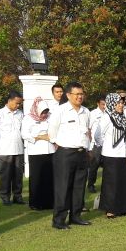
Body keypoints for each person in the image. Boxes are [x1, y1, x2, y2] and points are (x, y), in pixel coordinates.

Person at [48, 82, 92, 230]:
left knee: (79, 186)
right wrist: (58, 144)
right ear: (68, 95)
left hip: (82, 152)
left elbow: (88, 132)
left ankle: (76, 216)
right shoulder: (60, 111)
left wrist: (88, 149)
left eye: (81, 94)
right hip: (65, 153)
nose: (80, 97)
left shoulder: (86, 111)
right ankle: (59, 220)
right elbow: (52, 132)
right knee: (63, 187)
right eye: (76, 94)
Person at [98, 92, 126, 218]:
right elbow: (98, 136)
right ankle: (110, 209)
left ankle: (124, 208)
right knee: (111, 183)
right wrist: (107, 145)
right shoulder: (106, 117)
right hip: (111, 154)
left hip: (122, 154)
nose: (121, 105)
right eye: (118, 103)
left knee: (123, 182)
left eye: (122, 102)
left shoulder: (123, 116)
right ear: (111, 103)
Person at [0, 90, 26, 205]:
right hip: (4, 149)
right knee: (5, 175)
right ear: (9, 101)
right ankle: (5, 197)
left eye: (19, 103)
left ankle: (18, 196)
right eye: (17, 103)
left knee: (18, 175)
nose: (18, 105)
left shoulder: (20, 114)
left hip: (19, 148)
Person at [23, 97, 55, 210]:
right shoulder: (28, 118)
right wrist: (40, 137)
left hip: (50, 150)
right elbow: (24, 134)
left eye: (46, 111)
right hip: (35, 151)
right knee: (36, 178)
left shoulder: (51, 117)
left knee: (49, 177)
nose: (44, 114)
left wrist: (48, 137)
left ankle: (49, 203)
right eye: (42, 112)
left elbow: (54, 131)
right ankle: (35, 203)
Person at [87, 96, 108, 193]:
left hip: (106, 144)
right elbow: (89, 129)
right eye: (102, 104)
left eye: (105, 104)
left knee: (107, 166)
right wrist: (90, 144)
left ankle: (106, 185)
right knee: (94, 166)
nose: (104, 106)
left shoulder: (108, 113)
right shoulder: (93, 114)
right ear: (98, 103)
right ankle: (91, 184)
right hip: (96, 144)